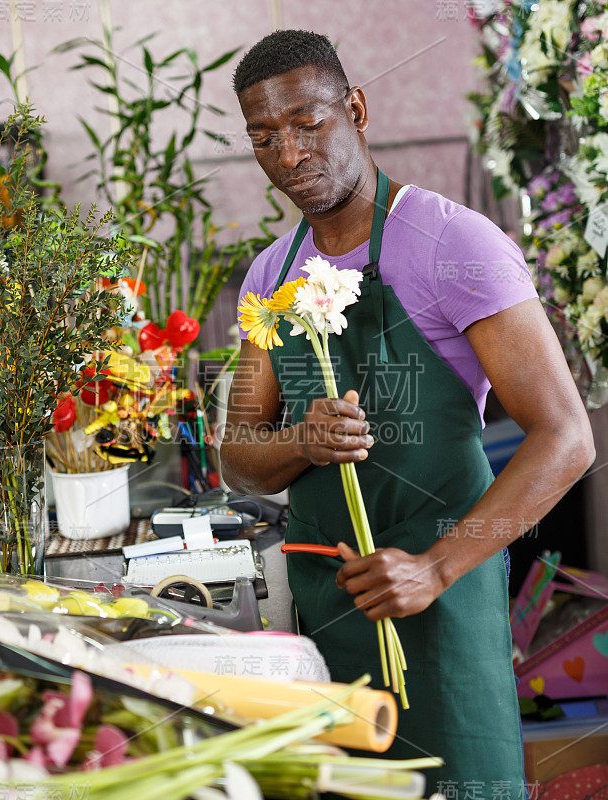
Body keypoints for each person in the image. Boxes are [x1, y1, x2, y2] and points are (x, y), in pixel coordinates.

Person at [219, 29, 595, 798]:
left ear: (355, 108)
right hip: (327, 605)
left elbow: (566, 439)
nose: (287, 156)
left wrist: (436, 567)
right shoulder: (272, 272)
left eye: (307, 124)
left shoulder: (455, 245)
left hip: (440, 603)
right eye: (263, 138)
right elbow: (236, 450)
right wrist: (300, 441)